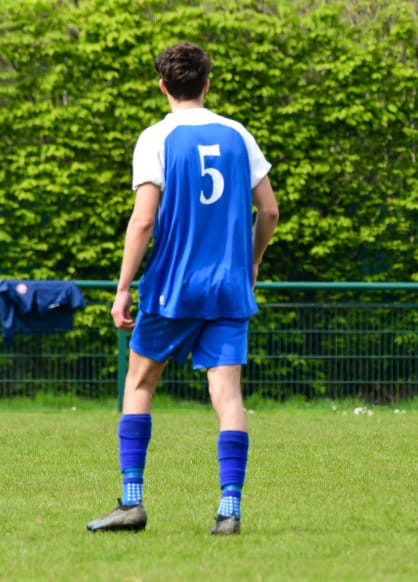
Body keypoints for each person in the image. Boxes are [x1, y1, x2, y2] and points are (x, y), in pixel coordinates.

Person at [86, 42, 280, 534]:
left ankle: (132, 503)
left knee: (139, 383)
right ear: (207, 84)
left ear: (163, 87)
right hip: (228, 287)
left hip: (173, 285)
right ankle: (230, 510)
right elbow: (270, 211)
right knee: (227, 394)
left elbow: (143, 220)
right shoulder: (238, 134)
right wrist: (252, 261)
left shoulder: (157, 137)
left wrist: (123, 288)